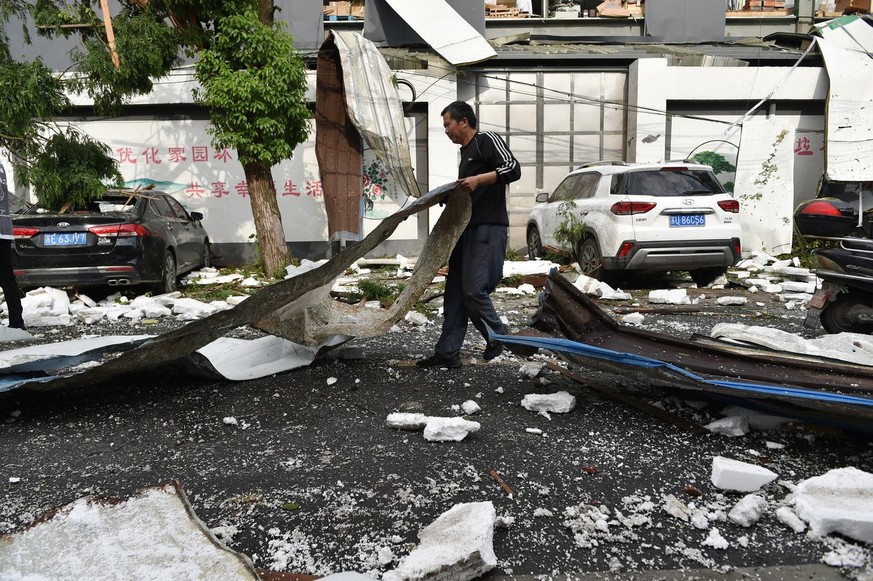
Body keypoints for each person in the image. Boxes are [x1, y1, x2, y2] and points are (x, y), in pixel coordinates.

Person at [417, 101, 521, 368]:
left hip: (487, 227)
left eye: (447, 124)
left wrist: (477, 180)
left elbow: (512, 168)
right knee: (454, 293)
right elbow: (470, 191)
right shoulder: (465, 154)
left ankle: (497, 335)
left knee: (473, 290)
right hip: (466, 229)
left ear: (464, 121)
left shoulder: (486, 140)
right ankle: (447, 353)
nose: (446, 130)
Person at [0, 164, 25, 330]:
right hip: (3, 229)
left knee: (6, 278)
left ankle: (17, 322)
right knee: (6, 278)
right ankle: (17, 322)